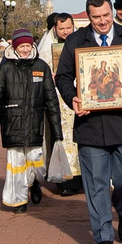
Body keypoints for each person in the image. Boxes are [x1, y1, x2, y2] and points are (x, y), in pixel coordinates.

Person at [55, 0, 122, 244]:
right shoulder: (76, 41)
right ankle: (103, 236)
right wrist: (73, 98)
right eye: (96, 17)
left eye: (106, 15)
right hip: (90, 126)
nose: (102, 21)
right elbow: (63, 76)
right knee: (95, 183)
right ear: (88, 17)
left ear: (112, 12)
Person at [0, 29, 58, 213]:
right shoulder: (5, 68)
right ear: (15, 47)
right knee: (16, 163)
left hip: (35, 123)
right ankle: (18, 200)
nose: (25, 50)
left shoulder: (41, 67)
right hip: (13, 123)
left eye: (28, 46)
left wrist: (57, 130)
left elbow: (51, 99)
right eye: (21, 46)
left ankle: (33, 183)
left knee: (35, 160)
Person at [39, 10, 85, 194]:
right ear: (55, 29)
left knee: (80, 137)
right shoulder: (46, 48)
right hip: (58, 97)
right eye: (62, 28)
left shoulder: (79, 42)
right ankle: (65, 181)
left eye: (69, 27)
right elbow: (42, 68)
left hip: (79, 95)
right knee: (61, 136)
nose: (66, 31)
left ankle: (82, 177)